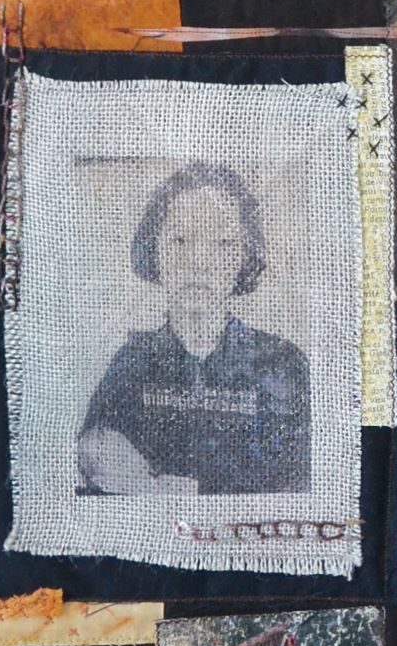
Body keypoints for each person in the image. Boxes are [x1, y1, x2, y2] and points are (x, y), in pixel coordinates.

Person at [78, 161, 309, 497]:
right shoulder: (131, 365)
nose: (198, 261)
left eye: (224, 242)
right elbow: (95, 469)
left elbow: (297, 482)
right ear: (154, 250)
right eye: (179, 239)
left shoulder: (282, 364)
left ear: (246, 256)